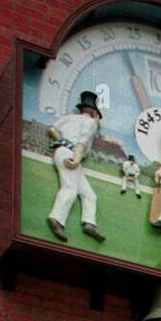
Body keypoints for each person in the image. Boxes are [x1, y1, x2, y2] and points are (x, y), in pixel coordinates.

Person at [46, 90, 106, 243]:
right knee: (70, 188)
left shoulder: (69, 118)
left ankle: (89, 224)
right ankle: (56, 219)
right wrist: (77, 157)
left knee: (89, 194)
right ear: (93, 112)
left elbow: (52, 129)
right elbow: (83, 141)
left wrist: (63, 141)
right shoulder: (90, 123)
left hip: (62, 150)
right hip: (72, 153)